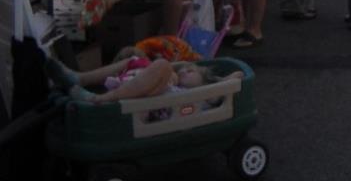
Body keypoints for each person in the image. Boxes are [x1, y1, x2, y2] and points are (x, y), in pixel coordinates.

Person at [45, 54, 242, 104]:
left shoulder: (204, 96)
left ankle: (99, 100)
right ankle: (81, 78)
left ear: (205, 83)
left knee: (163, 65)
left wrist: (219, 80)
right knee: (134, 58)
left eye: (190, 72)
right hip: (139, 91)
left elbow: (237, 76)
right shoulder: (174, 80)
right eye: (185, 69)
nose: (183, 71)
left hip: (153, 106)